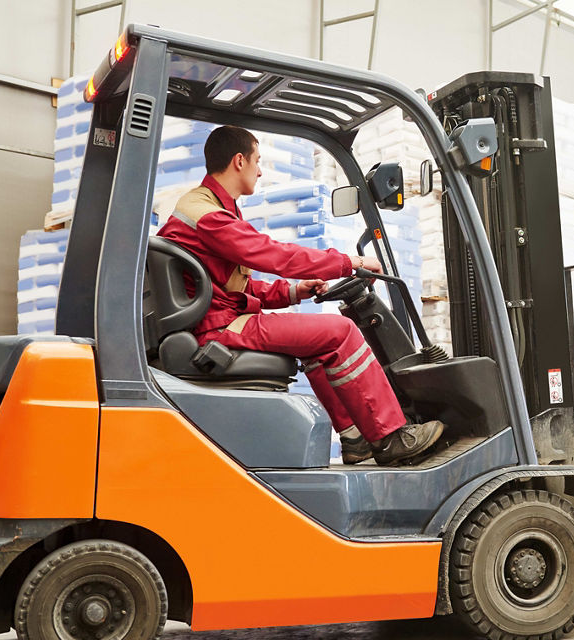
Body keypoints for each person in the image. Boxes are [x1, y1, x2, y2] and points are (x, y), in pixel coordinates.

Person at [158, 125, 443, 465]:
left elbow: (231, 286)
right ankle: (391, 437)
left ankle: (355, 440)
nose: (260, 170)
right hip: (218, 328)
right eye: (257, 161)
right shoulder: (209, 216)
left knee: (319, 345)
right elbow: (273, 255)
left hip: (219, 318)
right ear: (239, 161)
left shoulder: (212, 207)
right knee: (342, 332)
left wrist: (294, 292)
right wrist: (346, 262)